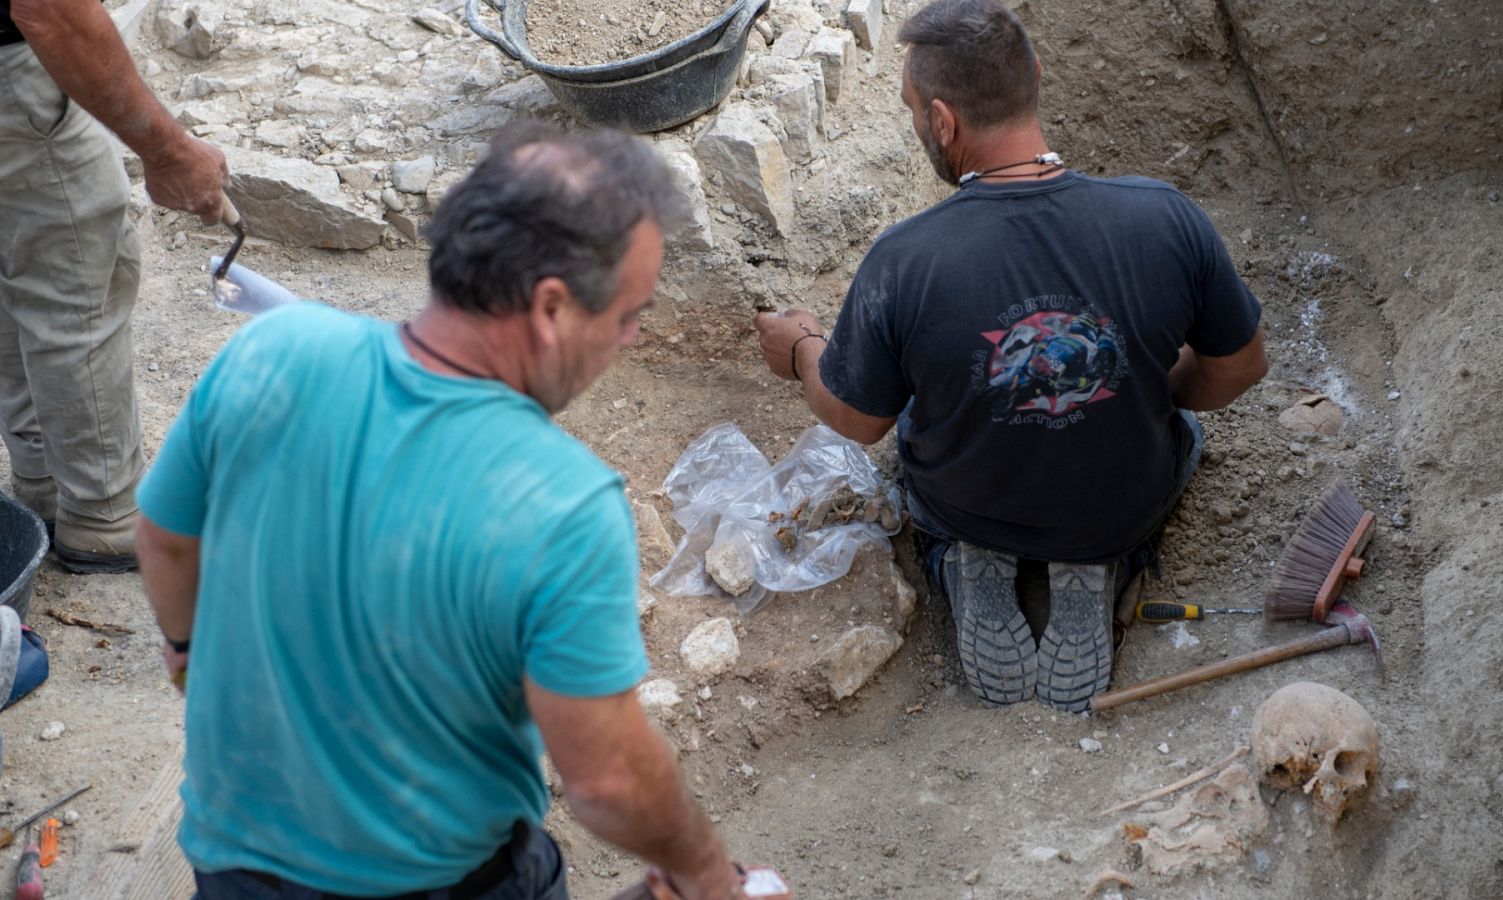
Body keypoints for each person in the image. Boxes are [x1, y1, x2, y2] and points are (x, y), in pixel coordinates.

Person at [136, 123, 745, 900]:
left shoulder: (272, 348)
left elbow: (163, 536)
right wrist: (702, 869)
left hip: (233, 866)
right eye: (627, 314)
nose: (629, 338)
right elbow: (611, 782)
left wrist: (188, 648)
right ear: (551, 308)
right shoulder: (563, 502)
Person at [754, 0, 1268, 713]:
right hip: (1117, 502)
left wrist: (803, 349)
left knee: (914, 440)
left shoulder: (904, 261)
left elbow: (855, 417)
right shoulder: (1165, 217)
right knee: (1184, 435)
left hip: (968, 501)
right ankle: (1099, 562)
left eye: (912, 111)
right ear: (1035, 75)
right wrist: (1149, 381)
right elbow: (1241, 367)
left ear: (942, 121)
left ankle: (966, 560)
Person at [1, 0, 229, 573]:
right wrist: (169, 151)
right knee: (76, 275)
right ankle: (103, 513)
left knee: (14, 263)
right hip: (12, 76)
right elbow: (49, 10)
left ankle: (45, 481)